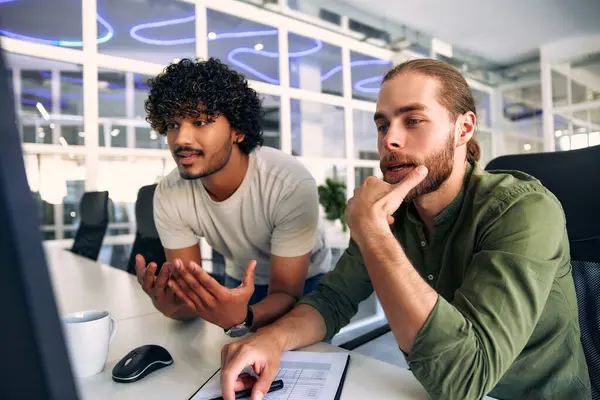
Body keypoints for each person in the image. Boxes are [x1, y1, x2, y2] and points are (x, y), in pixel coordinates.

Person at [218, 59, 591, 400]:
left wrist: (374, 232)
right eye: (383, 125)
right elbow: (333, 301)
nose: (388, 140)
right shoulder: (396, 212)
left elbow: (466, 379)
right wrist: (271, 339)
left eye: (412, 120)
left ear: (463, 128)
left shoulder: (522, 209)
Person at [134, 58, 331, 337]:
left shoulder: (288, 183)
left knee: (297, 361)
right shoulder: (169, 193)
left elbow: (286, 292)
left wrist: (244, 316)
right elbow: (190, 298)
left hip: (307, 280)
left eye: (200, 122)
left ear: (237, 130)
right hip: (240, 278)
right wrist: (172, 305)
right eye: (173, 125)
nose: (180, 139)